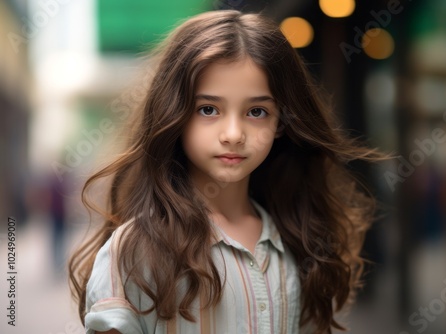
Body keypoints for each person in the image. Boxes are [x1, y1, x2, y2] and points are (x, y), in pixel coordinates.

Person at [69, 10, 379, 334]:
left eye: (257, 111)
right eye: (208, 109)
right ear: (174, 115)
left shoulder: (297, 241)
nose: (233, 133)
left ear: (281, 124)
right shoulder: (135, 250)